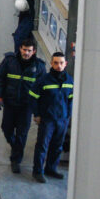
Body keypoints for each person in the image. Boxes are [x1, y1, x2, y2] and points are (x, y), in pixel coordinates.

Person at [0, 37, 45, 173]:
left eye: (29, 50)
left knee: (22, 133)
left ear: (33, 51)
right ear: (20, 49)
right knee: (6, 128)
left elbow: (41, 89)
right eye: (24, 49)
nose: (26, 53)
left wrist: (38, 111)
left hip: (26, 107)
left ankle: (16, 160)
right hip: (10, 103)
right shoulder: (9, 62)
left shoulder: (39, 67)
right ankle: (16, 146)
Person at [29, 52, 74, 183]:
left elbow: (71, 99)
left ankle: (51, 169)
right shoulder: (43, 80)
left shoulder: (69, 81)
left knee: (57, 146)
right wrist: (36, 114)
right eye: (56, 63)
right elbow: (33, 97)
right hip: (47, 119)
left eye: (61, 63)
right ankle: (37, 171)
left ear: (65, 64)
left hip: (62, 119)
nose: (59, 66)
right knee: (42, 145)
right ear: (51, 63)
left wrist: (68, 116)